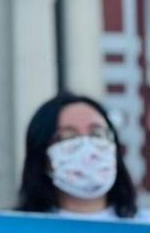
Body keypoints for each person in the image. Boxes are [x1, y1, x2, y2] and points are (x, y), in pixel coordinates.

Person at [16, 91, 150, 220]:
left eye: (97, 134)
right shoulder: (16, 230)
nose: (87, 147)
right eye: (68, 136)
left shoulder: (143, 229)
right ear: (43, 157)